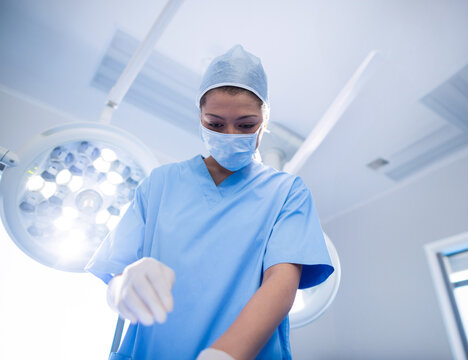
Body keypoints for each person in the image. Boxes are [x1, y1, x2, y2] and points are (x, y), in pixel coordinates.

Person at [85, 44, 334, 360]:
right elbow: (115, 271)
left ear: (265, 119)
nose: (230, 134)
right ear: (199, 118)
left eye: (246, 125)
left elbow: (281, 284)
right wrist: (123, 288)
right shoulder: (159, 184)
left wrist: (224, 355)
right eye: (215, 124)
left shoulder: (287, 192)